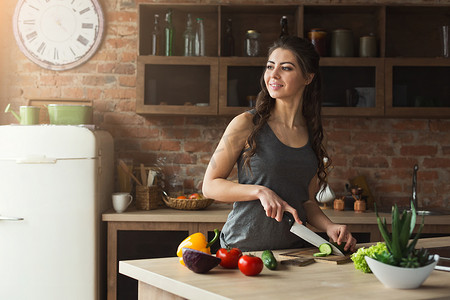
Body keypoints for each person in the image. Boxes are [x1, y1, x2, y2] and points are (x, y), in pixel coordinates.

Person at [202, 36, 357, 252]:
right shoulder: (246, 123)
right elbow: (209, 186)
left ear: (308, 77)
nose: (273, 75)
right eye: (269, 67)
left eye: (286, 68)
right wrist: (259, 191)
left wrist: (330, 226)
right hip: (240, 251)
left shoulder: (312, 134)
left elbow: (307, 202)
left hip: (293, 253)